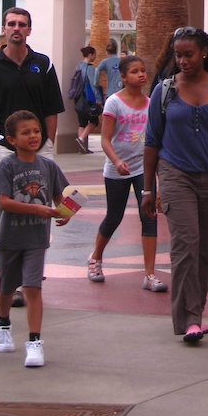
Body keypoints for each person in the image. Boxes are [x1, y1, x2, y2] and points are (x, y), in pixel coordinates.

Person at [143, 26, 208, 344]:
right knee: (185, 246)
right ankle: (188, 319)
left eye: (188, 54)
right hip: (175, 173)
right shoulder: (165, 92)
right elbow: (151, 143)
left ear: (203, 52)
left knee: (204, 250)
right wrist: (149, 189)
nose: (183, 61)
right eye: (178, 55)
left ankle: (197, 312)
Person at [0, 109, 68, 368]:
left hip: (37, 238)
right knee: (8, 289)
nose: (33, 136)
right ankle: (2, 322)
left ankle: (34, 342)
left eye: (36, 131)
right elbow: (4, 202)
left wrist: (65, 212)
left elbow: (59, 196)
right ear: (11, 139)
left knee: (33, 287)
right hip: (10, 238)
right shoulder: (7, 166)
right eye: (26, 133)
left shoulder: (49, 166)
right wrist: (38, 209)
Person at [86, 53, 167, 290]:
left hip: (144, 167)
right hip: (118, 169)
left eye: (143, 70)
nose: (141, 74)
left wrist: (159, 181)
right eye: (134, 71)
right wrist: (116, 160)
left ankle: (150, 274)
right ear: (123, 76)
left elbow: (156, 142)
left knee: (149, 217)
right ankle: (96, 258)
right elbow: (105, 140)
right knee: (114, 216)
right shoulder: (114, 102)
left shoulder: (151, 102)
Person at [0, 7, 64, 175]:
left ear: (29, 30)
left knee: (41, 197)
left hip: (39, 148)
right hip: (5, 148)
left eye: (22, 24)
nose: (16, 28)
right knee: (7, 199)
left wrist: (48, 142)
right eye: (11, 24)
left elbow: (52, 109)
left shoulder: (43, 64)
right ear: (4, 29)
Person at [74, 45, 101, 153]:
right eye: (94, 55)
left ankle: (82, 147)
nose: (95, 57)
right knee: (94, 120)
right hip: (87, 97)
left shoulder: (78, 66)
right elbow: (93, 84)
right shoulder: (89, 67)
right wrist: (98, 98)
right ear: (90, 55)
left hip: (78, 97)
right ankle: (81, 139)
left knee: (82, 122)